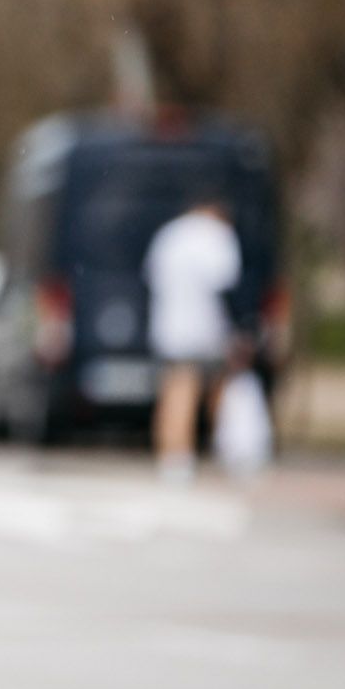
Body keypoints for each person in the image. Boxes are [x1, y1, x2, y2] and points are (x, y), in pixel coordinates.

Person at [143, 196, 243, 483]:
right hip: (207, 328)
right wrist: (238, 327)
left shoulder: (169, 235)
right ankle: (232, 452)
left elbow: (152, 277)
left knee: (175, 391)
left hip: (170, 327)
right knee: (217, 393)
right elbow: (225, 285)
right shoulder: (217, 237)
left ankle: (173, 456)